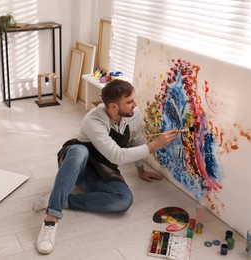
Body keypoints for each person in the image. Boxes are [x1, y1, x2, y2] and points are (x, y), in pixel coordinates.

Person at [32, 79, 178, 254]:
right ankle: (51, 218)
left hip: (102, 167)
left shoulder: (134, 115)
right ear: (113, 107)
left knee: (124, 200)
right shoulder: (93, 120)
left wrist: (141, 170)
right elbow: (117, 155)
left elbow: (136, 141)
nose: (135, 105)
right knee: (79, 152)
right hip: (78, 164)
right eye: (130, 102)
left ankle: (62, 199)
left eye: (133, 99)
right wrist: (154, 145)